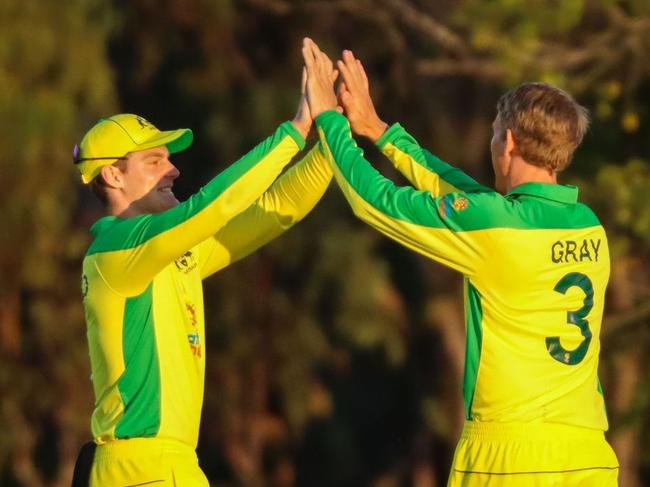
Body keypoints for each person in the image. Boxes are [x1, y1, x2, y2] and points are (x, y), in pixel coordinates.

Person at [301, 37, 619, 486]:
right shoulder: (587, 226)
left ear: (507, 141)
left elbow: (374, 201)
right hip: (587, 455)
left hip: (510, 456)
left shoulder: (495, 227)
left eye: (493, 131)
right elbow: (475, 203)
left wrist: (331, 120)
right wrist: (378, 130)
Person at [72, 69, 335, 486]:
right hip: (139, 469)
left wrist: (333, 134)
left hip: (173, 466)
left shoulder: (170, 252)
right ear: (112, 176)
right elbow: (214, 206)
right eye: (154, 161)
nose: (172, 170)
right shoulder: (116, 250)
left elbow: (275, 209)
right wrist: (297, 129)